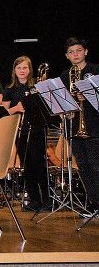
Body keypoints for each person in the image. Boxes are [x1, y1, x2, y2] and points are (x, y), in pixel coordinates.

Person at [2, 56, 50, 212]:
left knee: (40, 165)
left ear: (30, 70)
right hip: (20, 132)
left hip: (37, 130)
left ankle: (47, 199)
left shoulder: (37, 86)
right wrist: (15, 109)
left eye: (25, 68)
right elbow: (4, 112)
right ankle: (34, 199)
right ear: (14, 70)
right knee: (27, 166)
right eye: (19, 68)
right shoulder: (9, 90)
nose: (22, 71)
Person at [59, 37, 99, 212]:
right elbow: (60, 102)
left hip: (94, 125)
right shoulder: (63, 75)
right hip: (74, 126)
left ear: (86, 52)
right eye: (71, 52)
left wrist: (88, 98)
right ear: (67, 56)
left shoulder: (96, 71)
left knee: (96, 164)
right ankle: (92, 202)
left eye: (79, 50)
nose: (75, 54)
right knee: (82, 165)